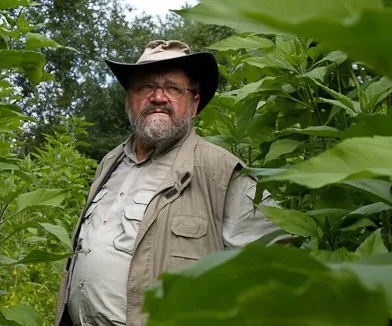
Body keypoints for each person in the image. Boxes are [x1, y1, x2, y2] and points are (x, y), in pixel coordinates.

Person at [53, 40, 284, 326]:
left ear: (194, 103)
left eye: (173, 88)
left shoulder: (222, 172)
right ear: (129, 100)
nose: (158, 97)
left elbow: (272, 274)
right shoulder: (110, 163)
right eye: (145, 87)